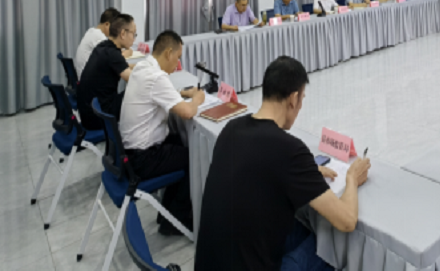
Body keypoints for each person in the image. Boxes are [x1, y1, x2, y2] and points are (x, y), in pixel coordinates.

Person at [195, 56, 372, 270]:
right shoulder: (290, 149)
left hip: (209, 264)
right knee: (330, 245)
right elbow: (347, 221)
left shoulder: (232, 129)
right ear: (293, 99)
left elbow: (260, 168)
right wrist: (352, 178)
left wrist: (307, 172)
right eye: (302, 99)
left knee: (300, 227)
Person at [119, 30, 204, 235]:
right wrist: (197, 99)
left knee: (178, 141)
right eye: (177, 57)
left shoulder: (143, 66)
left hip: (129, 153)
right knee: (193, 157)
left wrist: (183, 93)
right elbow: (187, 112)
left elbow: (160, 93)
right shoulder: (156, 77)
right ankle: (177, 219)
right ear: (168, 53)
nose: (177, 64)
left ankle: (168, 213)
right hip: (143, 158)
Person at [76, 14, 137, 130]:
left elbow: (122, 66)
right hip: (98, 117)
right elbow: (135, 79)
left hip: (88, 112)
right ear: (123, 34)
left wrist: (141, 66)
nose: (134, 38)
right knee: (137, 91)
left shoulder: (103, 46)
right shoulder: (113, 54)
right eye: (133, 34)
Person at [75, 7, 131, 76]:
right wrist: (128, 52)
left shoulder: (91, 31)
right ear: (107, 24)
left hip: (85, 76)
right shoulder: (98, 36)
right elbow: (115, 57)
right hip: (91, 78)